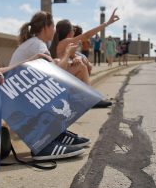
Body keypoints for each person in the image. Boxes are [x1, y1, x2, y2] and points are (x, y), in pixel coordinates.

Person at [9, 11, 95, 160]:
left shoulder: (35, 43)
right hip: (19, 102)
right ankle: (42, 145)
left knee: (63, 75)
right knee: (60, 86)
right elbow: (54, 73)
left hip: (16, 98)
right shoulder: (37, 44)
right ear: (45, 27)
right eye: (53, 26)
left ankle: (57, 134)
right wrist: (68, 54)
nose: (54, 30)